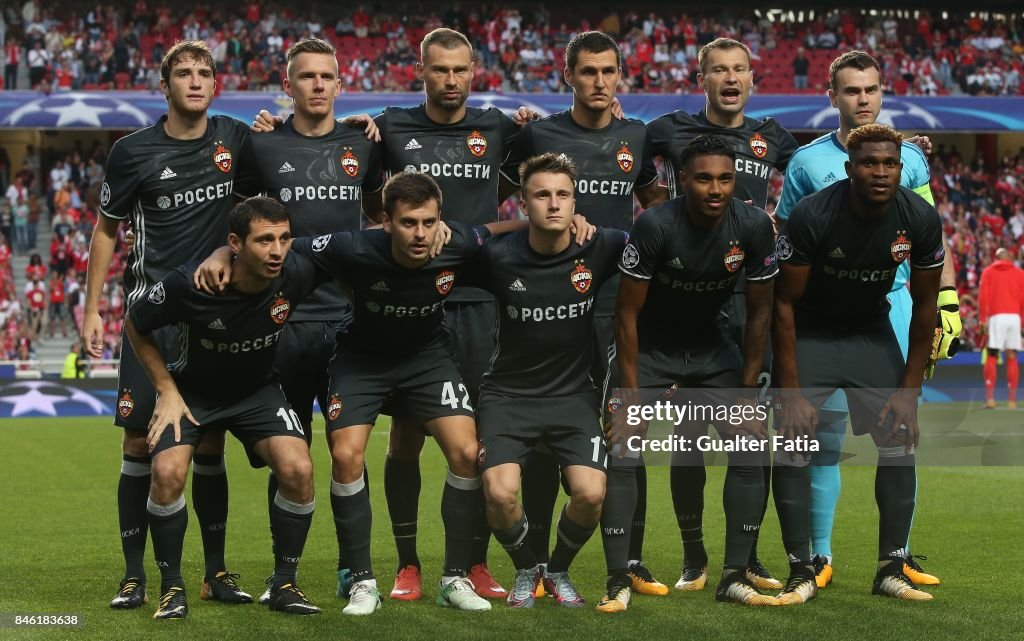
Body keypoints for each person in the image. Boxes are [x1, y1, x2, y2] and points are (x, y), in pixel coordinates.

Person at [775, 50, 958, 588]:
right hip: (816, 324)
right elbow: (787, 293)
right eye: (851, 89)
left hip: (885, 315)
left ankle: (892, 564)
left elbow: (929, 275)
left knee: (901, 435)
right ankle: (809, 562)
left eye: (871, 89)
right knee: (806, 440)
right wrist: (788, 387)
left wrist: (947, 305)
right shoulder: (811, 183)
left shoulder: (916, 201)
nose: (862, 98)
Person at [82, 40, 254, 610]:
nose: (196, 81)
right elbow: (106, 230)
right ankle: (135, 574)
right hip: (150, 319)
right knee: (138, 441)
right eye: (184, 73)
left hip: (215, 317)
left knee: (209, 444)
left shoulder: (234, 138)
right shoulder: (132, 152)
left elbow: (289, 153)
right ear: (166, 86)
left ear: (215, 84)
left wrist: (363, 125)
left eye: (205, 72)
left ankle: (216, 573)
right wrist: (91, 308)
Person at [497, 30, 668, 603]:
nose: (599, 82)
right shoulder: (538, 134)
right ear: (567, 75)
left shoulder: (636, 135)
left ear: (620, 76)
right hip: (553, 298)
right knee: (551, 436)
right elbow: (501, 196)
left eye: (608, 72)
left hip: (619, 302)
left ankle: (631, 560)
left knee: (625, 431)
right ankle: (540, 562)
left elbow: (656, 209)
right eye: (588, 71)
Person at [646, 36, 798, 593]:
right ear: (702, 77)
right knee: (688, 438)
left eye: (739, 70)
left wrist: (897, 138)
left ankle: (747, 555)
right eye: (719, 70)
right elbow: (635, 173)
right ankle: (693, 556)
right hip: (687, 304)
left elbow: (826, 159)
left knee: (749, 436)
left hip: (749, 302)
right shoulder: (667, 130)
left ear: (752, 80)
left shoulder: (772, 137)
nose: (730, 78)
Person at [234, 36, 383, 604]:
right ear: (289, 85)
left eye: (327, 77)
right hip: (281, 325)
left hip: (346, 324)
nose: (317, 86)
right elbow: (238, 218)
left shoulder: (364, 143)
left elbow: (376, 209)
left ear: (340, 86)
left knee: (348, 452)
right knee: (290, 457)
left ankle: (356, 573)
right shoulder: (262, 145)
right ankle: (284, 576)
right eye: (307, 77)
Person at [125, 197, 326, 618]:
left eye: (285, 238)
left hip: (257, 392)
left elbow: (355, 249)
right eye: (265, 240)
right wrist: (166, 389)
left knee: (298, 468)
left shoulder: (298, 271)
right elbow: (135, 322)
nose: (277, 250)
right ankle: (172, 586)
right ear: (236, 242)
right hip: (193, 393)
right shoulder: (191, 284)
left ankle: (285, 582)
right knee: (166, 473)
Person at [609, 135, 779, 607]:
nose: (715, 188)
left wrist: (747, 388)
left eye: (725, 178)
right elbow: (625, 315)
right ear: (682, 181)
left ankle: (734, 574)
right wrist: (626, 395)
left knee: (750, 446)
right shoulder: (655, 226)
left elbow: (762, 312)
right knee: (624, 446)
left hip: (711, 347)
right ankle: (622, 569)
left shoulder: (753, 226)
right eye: (703, 178)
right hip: (651, 348)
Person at [477, 153, 626, 610]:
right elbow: (468, 236)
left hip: (573, 395)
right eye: (542, 195)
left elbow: (661, 247)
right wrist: (510, 230)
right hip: (508, 395)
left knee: (591, 493)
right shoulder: (497, 258)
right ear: (523, 203)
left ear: (575, 201)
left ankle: (557, 569)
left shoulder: (603, 246)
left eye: (563, 195)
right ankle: (527, 569)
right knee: (500, 494)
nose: (554, 204)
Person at [979, 247, 1024, 408]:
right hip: (1014, 317)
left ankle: (990, 398)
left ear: (996, 257)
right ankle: (1012, 400)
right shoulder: (1020, 273)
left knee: (992, 354)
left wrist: (983, 320)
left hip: (996, 317)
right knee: (1012, 356)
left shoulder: (989, 272)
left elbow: (984, 297)